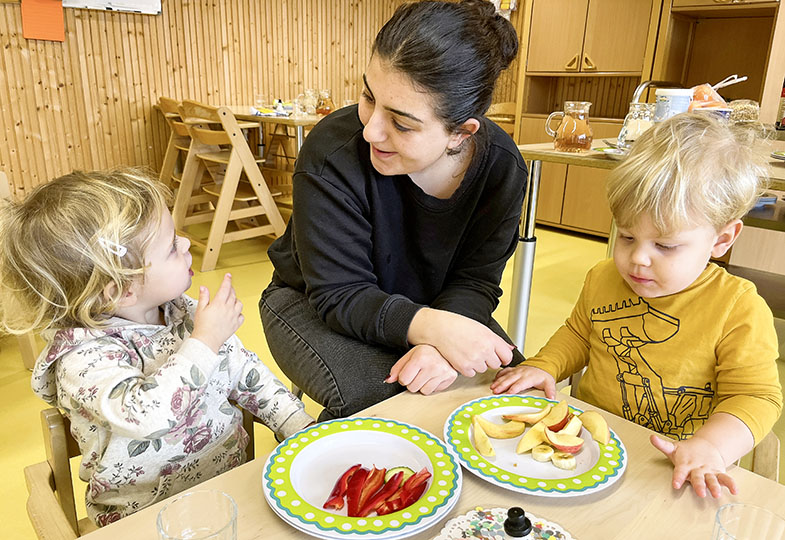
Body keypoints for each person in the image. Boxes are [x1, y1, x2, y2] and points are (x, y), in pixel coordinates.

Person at [260, 0, 528, 421]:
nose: (371, 130)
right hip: (312, 300)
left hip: (433, 305)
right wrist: (435, 331)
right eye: (368, 96)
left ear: (461, 133)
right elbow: (339, 293)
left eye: (402, 123)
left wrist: (440, 342)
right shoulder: (334, 152)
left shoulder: (502, 167)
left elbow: (475, 280)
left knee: (511, 392)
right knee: (388, 406)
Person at [491, 113, 782, 499]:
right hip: (594, 447)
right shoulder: (603, 276)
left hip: (675, 465)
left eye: (665, 245)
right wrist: (546, 365)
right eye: (626, 235)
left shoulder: (738, 307)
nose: (637, 259)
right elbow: (579, 334)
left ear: (721, 239)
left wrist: (712, 447)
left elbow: (756, 397)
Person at [0, 169, 314, 526]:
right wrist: (205, 341)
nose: (185, 245)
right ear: (120, 290)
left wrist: (296, 423)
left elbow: (245, 371)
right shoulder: (81, 361)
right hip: (141, 520)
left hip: (229, 493)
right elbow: (147, 417)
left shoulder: (184, 311)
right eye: (170, 247)